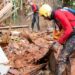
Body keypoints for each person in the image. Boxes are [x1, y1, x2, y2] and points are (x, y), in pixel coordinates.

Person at [39, 4, 75, 75]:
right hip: (73, 33)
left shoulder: (58, 14)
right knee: (65, 56)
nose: (44, 18)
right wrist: (57, 41)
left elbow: (69, 30)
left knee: (62, 57)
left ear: (47, 14)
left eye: (43, 16)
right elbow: (63, 30)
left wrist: (58, 42)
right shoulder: (56, 16)